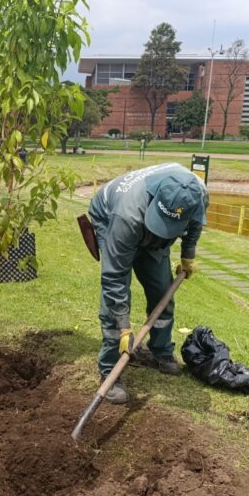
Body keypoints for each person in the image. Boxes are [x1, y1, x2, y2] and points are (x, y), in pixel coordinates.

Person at [81, 161, 206, 403]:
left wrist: (187, 255)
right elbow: (114, 277)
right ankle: (109, 371)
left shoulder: (196, 193)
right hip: (110, 220)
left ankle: (161, 351)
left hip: (149, 232)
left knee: (162, 292)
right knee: (113, 306)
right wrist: (124, 327)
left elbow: (195, 225)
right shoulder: (126, 215)